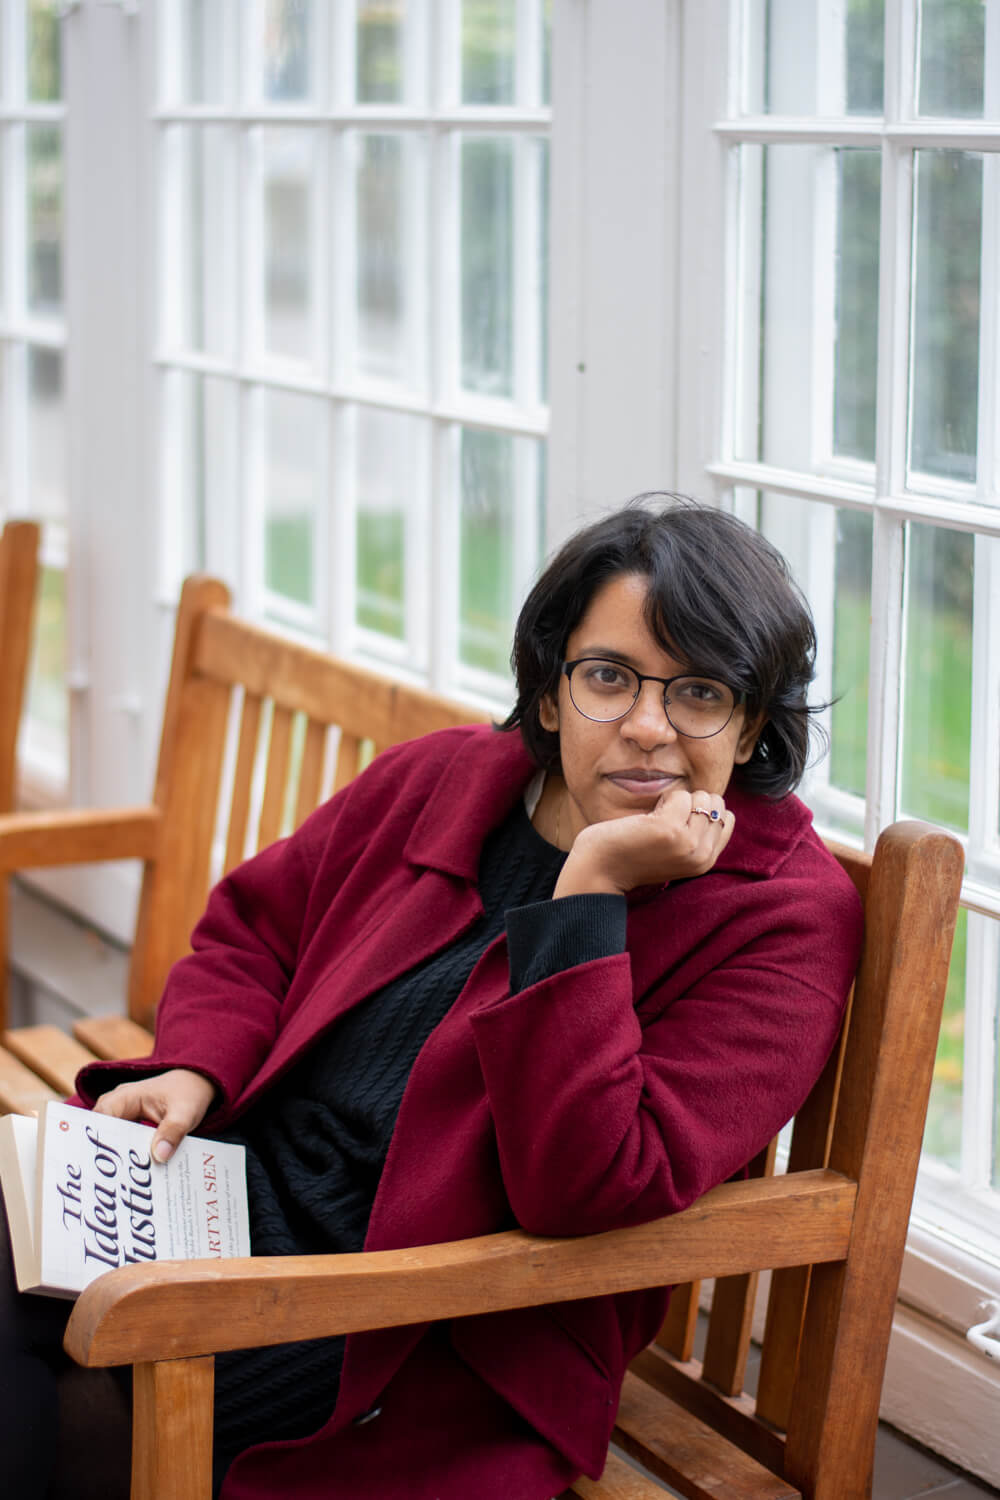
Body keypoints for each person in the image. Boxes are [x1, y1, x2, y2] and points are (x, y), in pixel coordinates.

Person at [1, 495, 863, 1500]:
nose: (645, 727)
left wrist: (586, 898)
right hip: (224, 1197)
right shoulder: (448, 778)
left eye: (700, 693)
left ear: (752, 722)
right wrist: (194, 1062)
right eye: (607, 677)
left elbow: (588, 1184)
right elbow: (256, 930)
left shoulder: (782, 915)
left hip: (411, 1329)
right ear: (547, 693)